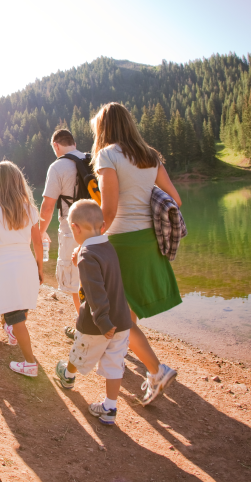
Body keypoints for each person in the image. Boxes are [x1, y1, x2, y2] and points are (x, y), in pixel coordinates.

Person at [90, 102, 183, 406]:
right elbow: (175, 199)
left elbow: (110, 208)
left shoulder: (107, 155)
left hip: (123, 244)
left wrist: (90, 240)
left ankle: (156, 370)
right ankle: (142, 368)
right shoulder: (149, 156)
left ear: (103, 129)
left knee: (120, 318)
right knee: (125, 315)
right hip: (148, 242)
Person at [54, 199, 132, 425]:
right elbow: (103, 276)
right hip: (122, 319)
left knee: (80, 349)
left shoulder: (87, 255)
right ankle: (109, 407)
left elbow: (95, 292)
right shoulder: (107, 246)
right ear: (103, 226)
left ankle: (68, 376)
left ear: (75, 228)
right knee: (114, 363)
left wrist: (103, 321)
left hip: (99, 322)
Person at [0, 161, 44, 377]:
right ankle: (13, 332)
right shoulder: (31, 210)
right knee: (20, 309)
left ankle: (30, 363)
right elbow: (38, 243)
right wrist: (40, 268)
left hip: (6, 268)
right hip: (27, 264)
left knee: (15, 314)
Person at [38, 129, 86, 330]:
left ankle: (85, 328)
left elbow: (48, 206)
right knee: (99, 279)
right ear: (73, 143)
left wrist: (40, 232)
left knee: (77, 282)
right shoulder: (90, 159)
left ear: (56, 145)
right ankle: (104, 326)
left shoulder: (58, 166)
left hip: (72, 230)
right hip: (101, 228)